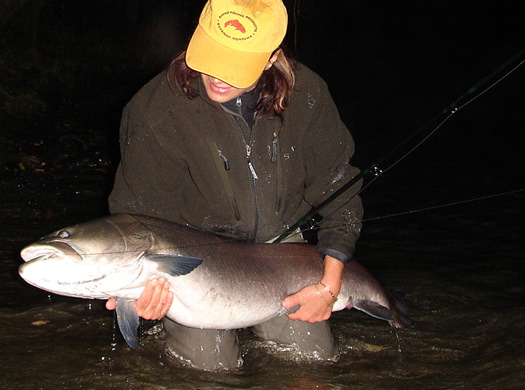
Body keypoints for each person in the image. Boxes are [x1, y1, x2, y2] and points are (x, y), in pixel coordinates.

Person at [105, 0, 362, 371]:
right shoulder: (153, 110)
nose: (217, 75)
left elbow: (340, 188)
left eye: (235, 64)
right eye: (212, 54)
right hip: (192, 254)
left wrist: (329, 286)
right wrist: (142, 291)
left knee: (313, 362)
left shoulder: (308, 95)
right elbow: (139, 221)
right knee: (211, 369)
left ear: (272, 57)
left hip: (280, 248)